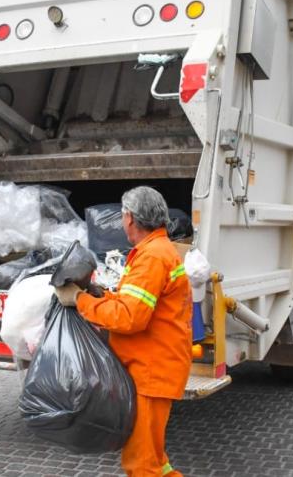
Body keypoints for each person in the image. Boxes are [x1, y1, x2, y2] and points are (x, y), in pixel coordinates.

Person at [55, 186, 191, 477]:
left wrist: (80, 300)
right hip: (153, 367)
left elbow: (129, 318)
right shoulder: (155, 251)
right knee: (155, 462)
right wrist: (100, 295)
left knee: (142, 465)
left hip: (151, 372)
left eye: (122, 215)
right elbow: (135, 304)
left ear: (130, 218)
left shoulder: (152, 257)